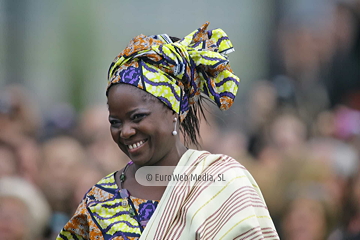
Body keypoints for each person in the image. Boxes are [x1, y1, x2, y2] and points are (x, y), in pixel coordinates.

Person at [57, 22, 279, 239]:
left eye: (137, 117)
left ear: (175, 110)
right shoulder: (99, 200)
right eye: (115, 122)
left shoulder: (223, 182)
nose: (125, 132)